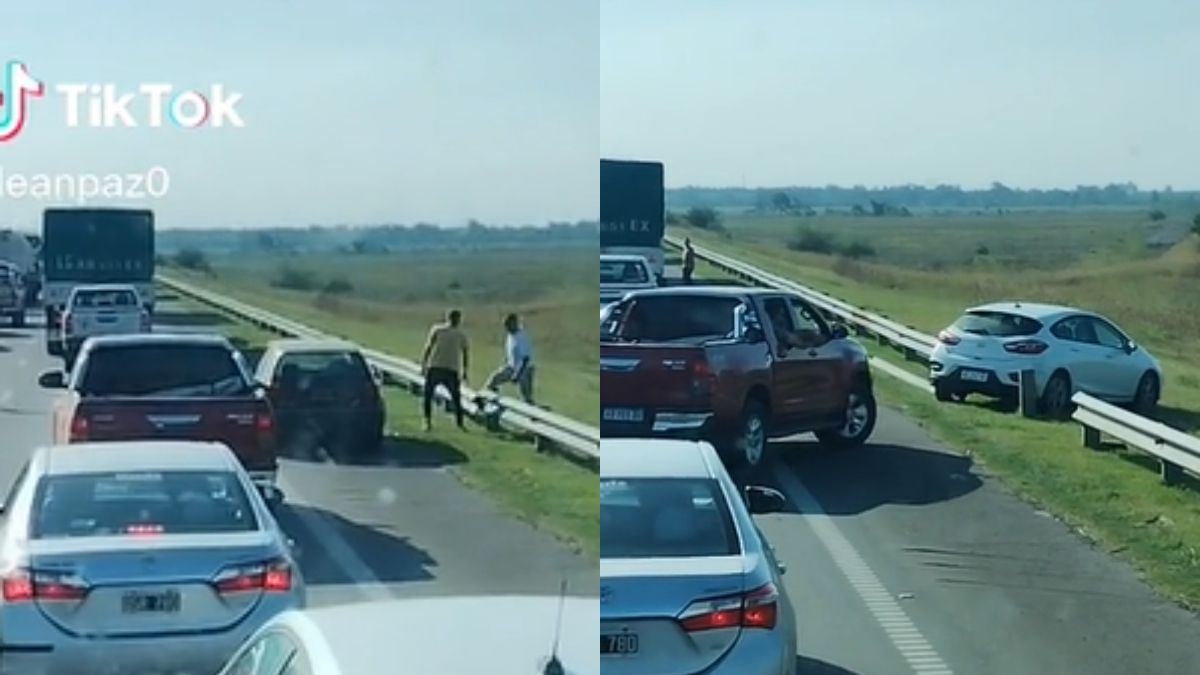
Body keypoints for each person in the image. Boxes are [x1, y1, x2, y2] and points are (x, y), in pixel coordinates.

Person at [420, 309, 470, 431]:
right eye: (454, 318)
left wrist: (465, 370)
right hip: (437, 367)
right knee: (428, 394)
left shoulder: (461, 334)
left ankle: (459, 423)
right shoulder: (438, 330)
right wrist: (424, 364)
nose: (456, 321)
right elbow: (429, 347)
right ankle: (427, 421)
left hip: (450, 369)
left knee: (456, 397)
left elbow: (465, 352)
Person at [483, 313, 535, 405]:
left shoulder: (521, 336)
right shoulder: (510, 335)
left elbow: (525, 358)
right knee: (494, 379)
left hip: (524, 369)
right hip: (512, 367)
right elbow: (510, 353)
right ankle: (489, 400)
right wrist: (506, 364)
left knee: (526, 395)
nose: (506, 328)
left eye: (508, 325)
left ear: (515, 323)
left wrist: (517, 375)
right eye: (506, 326)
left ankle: (532, 413)